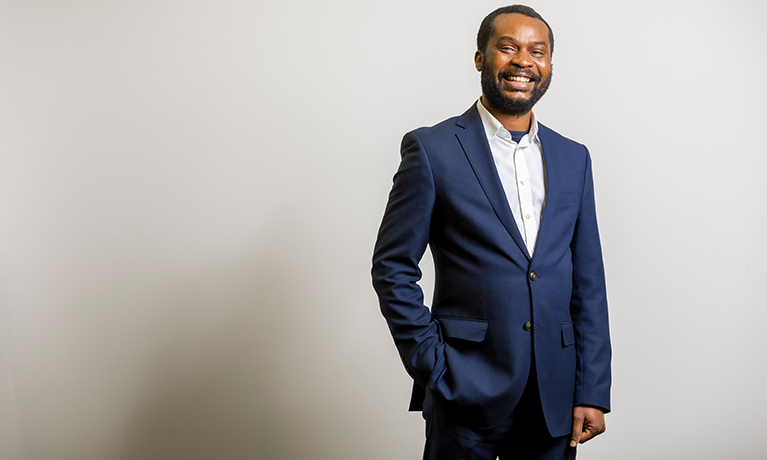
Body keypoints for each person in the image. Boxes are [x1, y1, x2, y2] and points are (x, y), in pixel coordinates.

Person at [371, 5, 611, 460]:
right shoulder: (432, 149)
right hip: (465, 388)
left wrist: (592, 387)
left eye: (537, 51)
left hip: (555, 395)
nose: (524, 61)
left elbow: (588, 281)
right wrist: (434, 366)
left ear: (549, 65)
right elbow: (392, 267)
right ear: (481, 59)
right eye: (508, 47)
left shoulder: (573, 157)